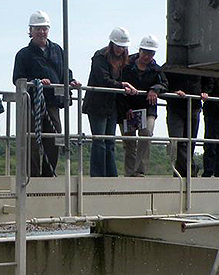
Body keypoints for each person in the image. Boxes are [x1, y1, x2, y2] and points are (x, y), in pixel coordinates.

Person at [12, 10, 80, 177]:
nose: (41, 32)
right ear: (31, 31)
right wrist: (36, 82)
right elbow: (17, 79)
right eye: (38, 29)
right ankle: (33, 177)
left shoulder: (58, 50)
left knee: (54, 140)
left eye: (44, 29)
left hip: (53, 103)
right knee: (32, 142)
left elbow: (65, 72)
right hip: (32, 104)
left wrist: (71, 81)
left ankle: (49, 175)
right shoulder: (23, 54)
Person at [82, 27, 135, 177]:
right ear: (111, 44)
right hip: (97, 105)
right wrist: (122, 85)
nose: (120, 49)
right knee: (99, 141)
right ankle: (98, 176)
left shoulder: (124, 60)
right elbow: (103, 80)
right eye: (118, 46)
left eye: (123, 47)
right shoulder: (100, 56)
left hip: (111, 105)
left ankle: (111, 176)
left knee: (110, 142)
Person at [118, 34, 166, 177]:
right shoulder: (126, 66)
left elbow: (165, 84)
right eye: (145, 51)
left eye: (151, 53)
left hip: (147, 108)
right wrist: (126, 108)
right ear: (139, 50)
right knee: (129, 141)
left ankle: (140, 171)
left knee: (146, 134)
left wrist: (155, 89)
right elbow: (118, 87)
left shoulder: (156, 69)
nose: (147, 56)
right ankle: (129, 173)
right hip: (128, 108)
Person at [166, 72, 206, 176]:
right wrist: (173, 92)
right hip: (175, 107)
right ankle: (192, 169)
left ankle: (181, 172)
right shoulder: (170, 67)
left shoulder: (199, 66)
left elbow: (208, 80)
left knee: (190, 143)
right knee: (178, 142)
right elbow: (163, 84)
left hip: (194, 107)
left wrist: (205, 91)